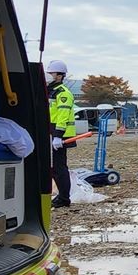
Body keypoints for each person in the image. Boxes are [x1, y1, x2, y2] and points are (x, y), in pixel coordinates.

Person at [47, 60, 76, 208]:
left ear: (60, 75)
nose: (49, 76)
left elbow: (63, 115)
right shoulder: (52, 91)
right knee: (54, 167)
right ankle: (61, 196)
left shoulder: (64, 93)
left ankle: (64, 198)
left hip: (61, 135)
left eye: (51, 73)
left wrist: (58, 135)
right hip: (52, 133)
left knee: (59, 167)